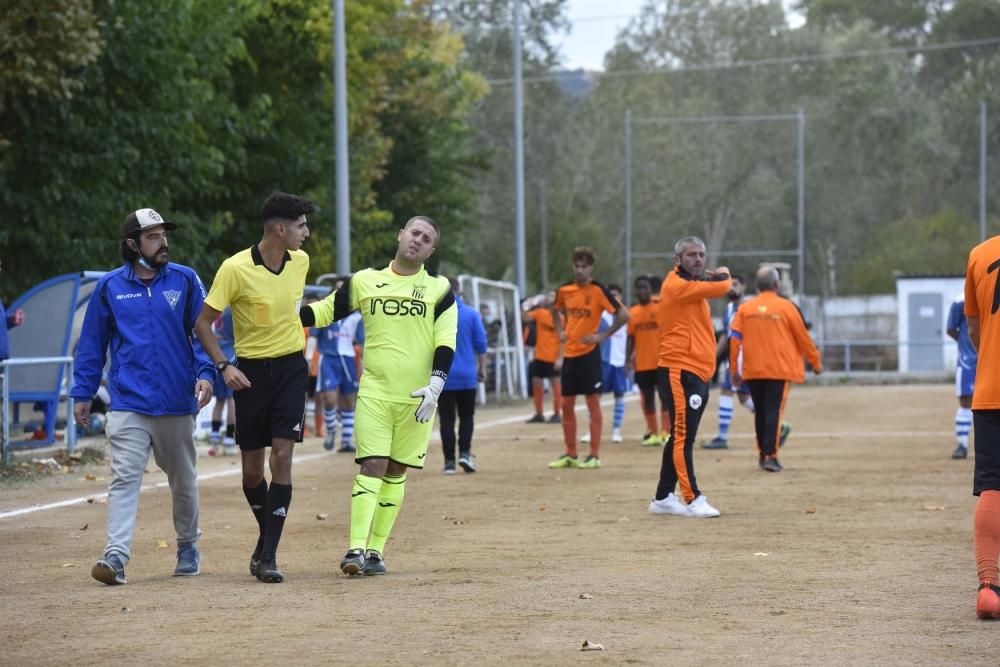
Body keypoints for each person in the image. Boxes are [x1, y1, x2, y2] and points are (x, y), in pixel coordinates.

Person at [301, 216, 457, 576]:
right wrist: (289, 315)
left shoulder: (440, 289)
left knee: (396, 470)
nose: (418, 240)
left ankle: (376, 552)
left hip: (418, 398)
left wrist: (436, 384)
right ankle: (355, 548)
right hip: (374, 393)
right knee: (372, 464)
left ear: (432, 250)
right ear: (401, 235)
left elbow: (445, 340)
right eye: (414, 233)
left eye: (427, 238)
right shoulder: (364, 280)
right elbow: (327, 311)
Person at [71, 208, 214, 585]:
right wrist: (83, 391)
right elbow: (92, 343)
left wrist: (206, 373)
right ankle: (116, 556)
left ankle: (187, 546)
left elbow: (203, 332)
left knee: (183, 481)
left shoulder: (185, 280)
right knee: (123, 478)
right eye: (153, 237)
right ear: (133, 244)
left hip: (176, 402)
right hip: (128, 402)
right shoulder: (110, 287)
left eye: (164, 235)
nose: (163, 242)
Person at [193, 192, 314, 584]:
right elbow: (202, 323)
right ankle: (267, 540)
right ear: (280, 229)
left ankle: (269, 556)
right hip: (250, 375)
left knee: (282, 457)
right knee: (250, 473)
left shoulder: (302, 262)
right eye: (301, 226)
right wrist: (223, 365)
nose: (306, 234)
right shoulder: (235, 268)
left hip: (293, 369)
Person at [648, 236, 729, 518]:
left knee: (681, 436)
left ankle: (662, 497)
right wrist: (724, 272)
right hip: (678, 369)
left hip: (696, 371)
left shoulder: (692, 288)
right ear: (677, 260)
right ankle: (693, 498)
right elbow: (725, 285)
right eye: (691, 254)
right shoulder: (677, 285)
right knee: (683, 436)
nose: (698, 259)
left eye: (701, 254)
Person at [729, 266, 823, 473]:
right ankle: (770, 455)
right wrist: (815, 362)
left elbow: (734, 339)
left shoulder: (745, 309)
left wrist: (734, 369)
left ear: (756, 286)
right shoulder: (787, 307)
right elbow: (803, 338)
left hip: (752, 370)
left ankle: (763, 453)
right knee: (773, 410)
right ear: (776, 284)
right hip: (778, 369)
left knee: (761, 411)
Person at [548, 246, 628, 470]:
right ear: (573, 267)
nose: (580, 270)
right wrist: (560, 332)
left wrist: (602, 335)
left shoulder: (598, 291)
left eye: (584, 266)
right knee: (566, 404)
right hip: (571, 356)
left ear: (591, 268)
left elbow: (624, 315)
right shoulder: (565, 290)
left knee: (593, 404)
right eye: (577, 266)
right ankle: (570, 454)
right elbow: (554, 310)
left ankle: (594, 455)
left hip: (589, 355)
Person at [963, 236, 1000, 619]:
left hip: (992, 390)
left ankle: (989, 587)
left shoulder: (981, 253)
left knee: (993, 486)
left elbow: (974, 330)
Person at [438, 276, 487, 474]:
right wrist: (482, 369)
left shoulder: (435, 315)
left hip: (443, 376)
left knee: (447, 420)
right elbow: (481, 345)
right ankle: (465, 453)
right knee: (467, 417)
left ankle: (449, 461)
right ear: (458, 290)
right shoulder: (471, 314)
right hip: (467, 376)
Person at [703, 274, 756, 449]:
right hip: (734, 356)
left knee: (726, 391)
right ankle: (777, 424)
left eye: (735, 284)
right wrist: (713, 355)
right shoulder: (728, 308)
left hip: (743, 357)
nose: (731, 288)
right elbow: (726, 336)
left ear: (744, 287)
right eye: (729, 285)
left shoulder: (749, 306)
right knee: (744, 398)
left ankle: (722, 437)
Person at [315, 292, 364, 452]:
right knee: (329, 398)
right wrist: (308, 359)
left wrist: (366, 365)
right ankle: (331, 431)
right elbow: (313, 337)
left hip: (348, 359)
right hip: (328, 359)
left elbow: (363, 341)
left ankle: (346, 441)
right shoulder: (325, 313)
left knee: (348, 400)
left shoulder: (356, 317)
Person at [584, 284, 628, 444]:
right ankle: (591, 430)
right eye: (611, 296)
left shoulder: (627, 316)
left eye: (617, 295)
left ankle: (616, 430)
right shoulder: (601, 317)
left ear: (621, 297)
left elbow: (631, 338)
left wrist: (630, 359)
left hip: (620, 361)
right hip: (604, 361)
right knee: (596, 396)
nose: (614, 299)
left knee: (620, 395)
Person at [626, 275, 667, 447]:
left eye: (645, 287)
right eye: (639, 287)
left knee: (665, 398)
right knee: (648, 398)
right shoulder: (632, 313)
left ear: (651, 289)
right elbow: (631, 339)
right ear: (636, 291)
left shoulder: (661, 308)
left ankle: (666, 432)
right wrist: (627, 359)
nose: (642, 290)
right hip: (642, 363)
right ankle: (654, 433)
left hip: (663, 361)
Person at [525, 291, 564, 424]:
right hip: (540, 355)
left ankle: (557, 413)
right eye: (548, 296)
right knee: (536, 381)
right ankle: (539, 413)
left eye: (552, 296)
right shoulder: (540, 313)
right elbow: (524, 318)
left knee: (555, 383)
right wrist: (528, 305)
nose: (549, 298)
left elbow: (564, 340)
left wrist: (560, 358)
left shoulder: (561, 318)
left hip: (553, 357)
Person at [947, 296, 976, 460]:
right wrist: (965, 343)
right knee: (966, 401)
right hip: (968, 361)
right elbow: (951, 328)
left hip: (992, 359)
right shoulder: (960, 301)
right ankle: (962, 445)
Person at [207, 308, 237, 457]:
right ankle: (230, 439)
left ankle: (214, 438)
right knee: (231, 399)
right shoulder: (231, 309)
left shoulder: (214, 308)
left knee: (219, 400)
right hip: (229, 356)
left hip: (215, 354)